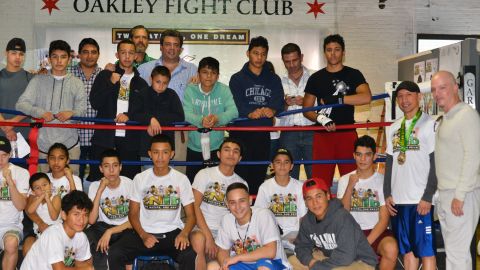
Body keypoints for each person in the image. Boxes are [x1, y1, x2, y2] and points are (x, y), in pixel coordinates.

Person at [108, 134, 197, 269]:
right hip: (144, 232)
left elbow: (191, 215)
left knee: (189, 255)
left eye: (165, 152)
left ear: (172, 154)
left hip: (172, 233)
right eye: (156, 152)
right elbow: (133, 214)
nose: (160, 157)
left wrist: (184, 234)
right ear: (149, 154)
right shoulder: (140, 178)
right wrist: (143, 235)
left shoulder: (181, 179)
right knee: (115, 252)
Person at [302, 34, 372, 187]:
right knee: (321, 181)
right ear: (324, 53)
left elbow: (366, 97)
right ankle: (322, 211)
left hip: (346, 133)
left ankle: (351, 211)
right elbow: (306, 109)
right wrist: (322, 119)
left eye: (337, 50)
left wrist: (340, 100)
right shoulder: (316, 78)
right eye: (329, 50)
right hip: (322, 135)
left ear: (343, 52)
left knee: (352, 180)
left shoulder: (353, 74)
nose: (333, 54)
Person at [383, 81, 437, 270]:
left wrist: (428, 196)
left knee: (427, 252)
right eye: (400, 96)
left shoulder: (430, 124)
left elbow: (436, 163)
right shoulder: (394, 127)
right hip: (398, 200)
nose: (404, 100)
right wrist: (387, 194)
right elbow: (389, 162)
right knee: (407, 252)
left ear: (419, 97)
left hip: (420, 200)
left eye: (409, 95)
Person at [431, 70, 480, 269]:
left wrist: (459, 195)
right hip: (446, 194)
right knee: (453, 254)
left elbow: (473, 157)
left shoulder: (467, 115)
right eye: (434, 90)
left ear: (455, 87)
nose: (437, 93)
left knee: (458, 256)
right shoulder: (446, 118)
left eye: (442, 87)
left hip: (462, 196)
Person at [16, 40, 86, 175]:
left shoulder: (77, 83)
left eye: (63, 57)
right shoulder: (37, 80)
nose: (59, 61)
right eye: (55, 56)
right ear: (49, 59)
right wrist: (39, 112)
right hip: (43, 145)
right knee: (43, 189)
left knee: (71, 188)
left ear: (69, 59)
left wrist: (72, 114)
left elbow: (82, 110)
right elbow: (21, 104)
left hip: (70, 145)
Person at [229, 36, 284, 194]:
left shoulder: (273, 79)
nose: (259, 58)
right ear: (248, 53)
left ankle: (254, 213)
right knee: (238, 177)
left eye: (263, 54)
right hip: (241, 135)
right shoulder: (237, 78)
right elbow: (234, 104)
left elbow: (279, 102)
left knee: (259, 176)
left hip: (262, 135)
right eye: (255, 53)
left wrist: (272, 110)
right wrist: (250, 112)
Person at [138, 29, 198, 174]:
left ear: (181, 48)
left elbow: (197, 99)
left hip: (178, 131)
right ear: (160, 46)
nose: (172, 48)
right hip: (150, 131)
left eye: (176, 45)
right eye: (168, 44)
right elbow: (136, 102)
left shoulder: (192, 70)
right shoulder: (144, 69)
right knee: (149, 174)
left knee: (177, 174)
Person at [89, 39, 148, 181]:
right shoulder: (105, 75)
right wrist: (110, 83)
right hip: (104, 138)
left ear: (136, 56)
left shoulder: (141, 83)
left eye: (131, 53)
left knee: (129, 182)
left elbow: (144, 110)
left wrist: (129, 115)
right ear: (117, 55)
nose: (127, 56)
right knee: (99, 181)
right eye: (123, 52)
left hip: (130, 141)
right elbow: (95, 103)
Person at [337, 135, 398, 269]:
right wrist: (350, 186)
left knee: (391, 248)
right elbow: (343, 213)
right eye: (359, 154)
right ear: (354, 155)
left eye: (367, 155)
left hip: (376, 231)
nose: (362, 159)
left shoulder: (383, 181)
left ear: (375, 156)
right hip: (351, 232)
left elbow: (383, 220)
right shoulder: (344, 179)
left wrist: (365, 243)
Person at [291, 177, 377, 269]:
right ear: (306, 203)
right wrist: (311, 261)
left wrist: (318, 265)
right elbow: (301, 246)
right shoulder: (307, 220)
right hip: (331, 258)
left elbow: (346, 257)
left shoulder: (342, 217)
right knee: (292, 261)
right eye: (309, 198)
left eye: (318, 196)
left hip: (359, 261)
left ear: (328, 196)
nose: (315, 202)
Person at [190, 138, 247, 270]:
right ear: (219, 154)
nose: (231, 154)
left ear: (240, 158)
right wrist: (209, 236)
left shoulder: (242, 184)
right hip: (201, 228)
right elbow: (194, 206)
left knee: (216, 266)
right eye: (227, 150)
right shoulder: (205, 174)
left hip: (226, 232)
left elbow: (241, 216)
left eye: (235, 151)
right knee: (199, 240)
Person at [209, 182, 291, 270]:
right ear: (227, 205)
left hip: (272, 263)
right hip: (244, 265)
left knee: (263, 266)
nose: (238, 207)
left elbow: (270, 251)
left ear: (250, 200)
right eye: (232, 203)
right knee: (212, 267)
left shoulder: (263, 215)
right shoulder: (226, 220)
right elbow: (223, 250)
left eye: (242, 201)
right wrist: (225, 265)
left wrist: (237, 258)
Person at [183, 57, 239, 181]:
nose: (209, 76)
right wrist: (200, 120)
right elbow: (185, 113)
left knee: (215, 185)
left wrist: (218, 119)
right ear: (198, 74)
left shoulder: (223, 89)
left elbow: (233, 111)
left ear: (218, 76)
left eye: (213, 73)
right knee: (193, 183)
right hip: (193, 146)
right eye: (205, 72)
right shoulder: (190, 90)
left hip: (216, 146)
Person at [20, 190, 94, 270]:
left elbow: (82, 264)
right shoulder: (54, 234)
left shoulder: (81, 237)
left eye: (85, 215)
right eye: (76, 214)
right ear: (64, 215)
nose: (82, 220)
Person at [85, 149, 133, 270]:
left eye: (115, 166)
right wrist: (100, 190)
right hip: (103, 226)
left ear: (120, 167)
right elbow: (91, 220)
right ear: (101, 169)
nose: (111, 170)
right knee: (86, 237)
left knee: (123, 248)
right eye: (107, 166)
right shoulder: (95, 186)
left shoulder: (130, 184)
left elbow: (135, 220)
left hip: (125, 227)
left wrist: (110, 231)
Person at [254, 148, 306, 253]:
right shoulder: (265, 187)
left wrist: (301, 236)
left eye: (286, 162)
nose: (282, 166)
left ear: (291, 166)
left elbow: (303, 216)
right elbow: (259, 214)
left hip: (294, 231)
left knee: (303, 253)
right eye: (278, 162)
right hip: (272, 233)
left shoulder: (300, 186)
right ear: (272, 165)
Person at [130, 65, 184, 165]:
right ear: (151, 79)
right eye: (158, 82)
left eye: (165, 83)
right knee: (147, 176)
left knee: (166, 177)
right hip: (146, 147)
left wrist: (156, 120)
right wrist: (150, 119)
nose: (161, 86)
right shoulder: (142, 94)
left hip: (166, 146)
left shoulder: (172, 95)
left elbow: (180, 116)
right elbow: (133, 114)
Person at [278, 43, 315, 179]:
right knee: (288, 176)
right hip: (288, 133)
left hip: (312, 130)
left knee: (315, 173)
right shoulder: (278, 80)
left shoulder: (315, 76)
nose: (292, 64)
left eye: (295, 60)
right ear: (283, 61)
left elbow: (325, 103)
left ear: (302, 57)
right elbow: (275, 110)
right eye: (287, 62)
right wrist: (285, 104)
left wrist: (307, 101)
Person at [68, 38, 102, 182]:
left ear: (98, 54)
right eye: (85, 52)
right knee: (75, 177)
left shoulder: (105, 75)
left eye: (93, 52)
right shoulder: (68, 72)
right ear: (79, 54)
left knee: (97, 177)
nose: (89, 56)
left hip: (97, 136)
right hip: (73, 136)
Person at [0, 136, 29, 270]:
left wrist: (10, 182)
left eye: (4, 155)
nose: (0, 160)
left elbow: (21, 206)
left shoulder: (21, 172)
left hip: (10, 226)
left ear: (10, 154)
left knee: (11, 243)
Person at [0, 37, 33, 143]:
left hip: (24, 136)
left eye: (21, 54)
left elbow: (34, 106)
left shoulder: (31, 78)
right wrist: (6, 127)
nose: (18, 57)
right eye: (14, 53)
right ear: (6, 53)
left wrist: (13, 122)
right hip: (1, 134)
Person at [22, 172, 62, 256]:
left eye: (45, 185)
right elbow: (29, 211)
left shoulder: (56, 197)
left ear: (50, 185)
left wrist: (47, 200)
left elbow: (54, 217)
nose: (42, 189)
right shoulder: (35, 199)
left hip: (54, 231)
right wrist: (40, 198)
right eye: (37, 188)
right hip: (39, 233)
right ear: (33, 191)